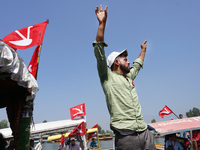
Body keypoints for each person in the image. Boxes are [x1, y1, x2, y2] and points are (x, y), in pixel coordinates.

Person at [93, 5, 156, 150]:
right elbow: (99, 50)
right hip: (126, 137)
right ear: (116, 62)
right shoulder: (107, 77)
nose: (128, 61)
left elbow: (137, 65)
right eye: (125, 59)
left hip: (145, 132)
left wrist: (143, 50)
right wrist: (102, 24)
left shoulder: (128, 77)